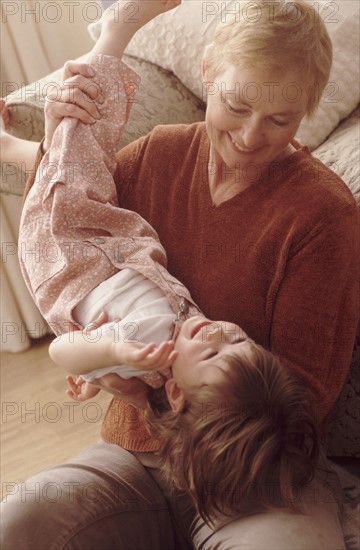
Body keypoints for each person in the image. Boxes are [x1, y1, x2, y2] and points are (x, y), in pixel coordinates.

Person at [1, 0, 358, 548]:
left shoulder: (323, 215)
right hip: (136, 455)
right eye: (237, 106)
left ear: (307, 110)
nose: (250, 136)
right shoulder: (160, 154)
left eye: (280, 120)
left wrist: (162, 396)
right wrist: (51, 129)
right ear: (210, 75)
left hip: (251, 473)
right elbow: (76, 209)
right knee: (21, 522)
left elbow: (305, 393)